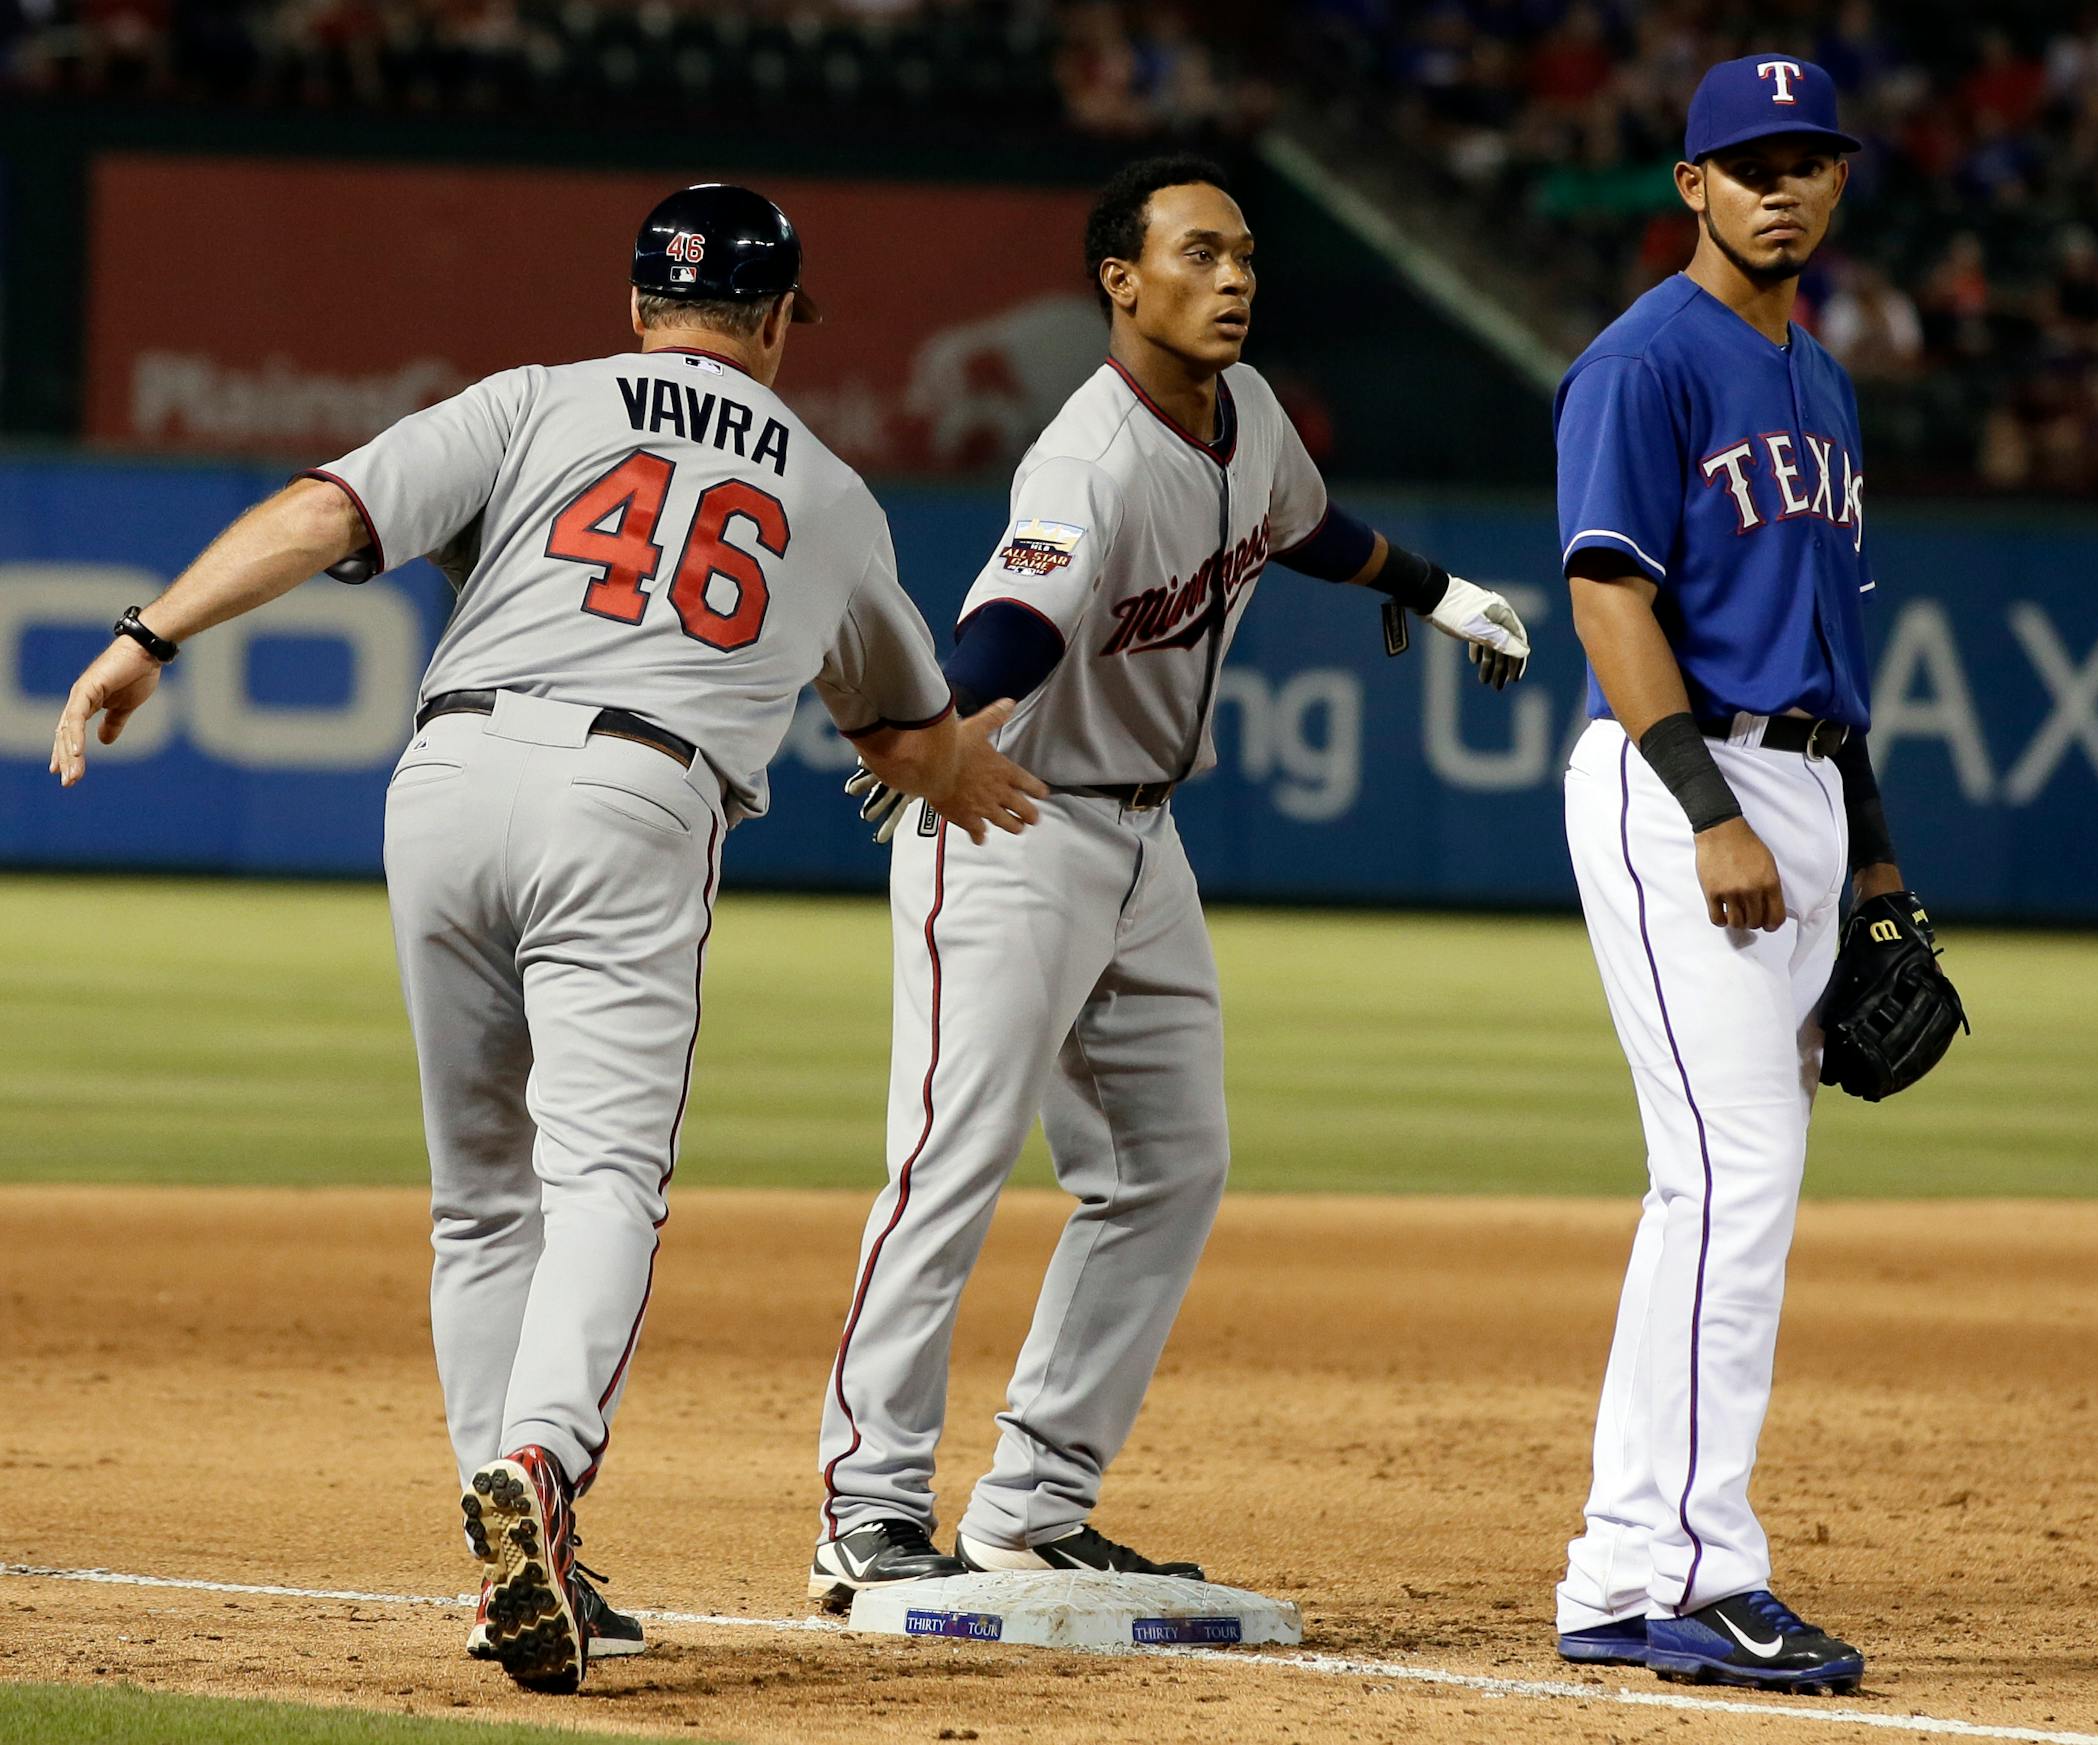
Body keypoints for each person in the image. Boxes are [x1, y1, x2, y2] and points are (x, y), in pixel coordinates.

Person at [50, 183, 1043, 1693]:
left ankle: (512, 1537)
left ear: (638, 304)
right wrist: (969, 771)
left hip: (443, 779)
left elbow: (325, 512)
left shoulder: (530, 402)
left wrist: (147, 638)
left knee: (479, 1192)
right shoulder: (833, 494)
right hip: (635, 795)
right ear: (778, 324)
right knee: (602, 1177)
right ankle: (541, 1459)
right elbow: (905, 735)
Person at [807, 154, 1530, 1608]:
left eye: (1249, 253)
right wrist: (939, 737)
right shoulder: (1086, 457)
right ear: (1119, 283)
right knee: (950, 1164)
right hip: (1011, 827)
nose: (1238, 277)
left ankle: (1034, 1503)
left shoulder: (1249, 413)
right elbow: (1013, 619)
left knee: (1168, 1166)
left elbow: (1300, 524)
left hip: (1146, 844)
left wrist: (1430, 587)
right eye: (1200, 253)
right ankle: (867, 1506)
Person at [1549, 58, 1930, 1694]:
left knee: (1708, 1186)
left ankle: (1628, 1563)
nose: (1781, 186)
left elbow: (1835, 654)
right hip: (1678, 778)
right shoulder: (1644, 364)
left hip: (1806, 785)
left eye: (1807, 161)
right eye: (1747, 162)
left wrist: (1880, 872)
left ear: (1837, 188)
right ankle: (1698, 1571)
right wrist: (1705, 805)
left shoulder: (1825, 382)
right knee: (1735, 1173)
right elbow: (1611, 603)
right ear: (1690, 186)